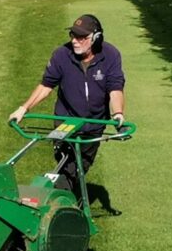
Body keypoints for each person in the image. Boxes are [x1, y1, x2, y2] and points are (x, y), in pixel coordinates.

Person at [8, 14, 126, 207]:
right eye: (73, 35)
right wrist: (23, 108)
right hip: (65, 121)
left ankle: (59, 205)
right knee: (66, 164)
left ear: (96, 38)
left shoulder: (110, 55)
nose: (74, 41)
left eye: (81, 37)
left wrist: (118, 114)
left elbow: (115, 89)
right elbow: (46, 86)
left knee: (79, 168)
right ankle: (58, 206)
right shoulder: (62, 55)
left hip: (94, 124)